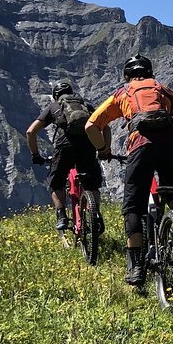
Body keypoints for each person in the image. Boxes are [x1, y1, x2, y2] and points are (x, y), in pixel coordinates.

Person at [85, 54, 173, 287]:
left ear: (127, 75)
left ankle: (136, 266)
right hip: (170, 144)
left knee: (133, 205)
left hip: (140, 146)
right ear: (150, 73)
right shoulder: (161, 89)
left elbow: (91, 125)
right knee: (172, 191)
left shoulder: (123, 93)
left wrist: (103, 149)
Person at [27, 79, 110, 232]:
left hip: (65, 146)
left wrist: (35, 155)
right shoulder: (85, 105)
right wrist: (104, 149)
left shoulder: (54, 106)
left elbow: (30, 132)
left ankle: (62, 216)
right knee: (91, 184)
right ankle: (96, 213)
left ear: (55, 95)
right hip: (87, 146)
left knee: (56, 181)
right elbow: (105, 126)